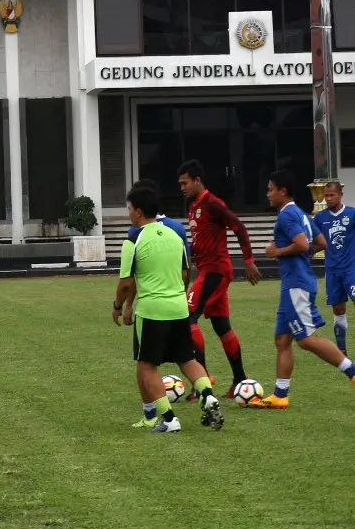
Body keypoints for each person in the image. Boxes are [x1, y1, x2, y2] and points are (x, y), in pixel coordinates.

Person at [113, 184, 223, 432]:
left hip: (152, 310)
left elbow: (125, 283)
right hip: (179, 308)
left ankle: (169, 419)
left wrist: (118, 306)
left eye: (130, 209)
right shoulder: (175, 235)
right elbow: (186, 272)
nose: (129, 214)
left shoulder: (133, 239)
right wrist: (178, 295)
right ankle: (208, 395)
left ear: (139, 211)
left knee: (147, 365)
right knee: (187, 359)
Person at [254, 170, 355, 408]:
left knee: (307, 340)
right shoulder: (301, 214)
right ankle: (280, 395)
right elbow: (321, 243)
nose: (267, 194)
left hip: (296, 285)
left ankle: (352, 370)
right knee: (282, 339)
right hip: (294, 282)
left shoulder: (287, 216)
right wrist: (300, 257)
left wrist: (276, 252)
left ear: (283, 191)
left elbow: (300, 243)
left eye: (270, 189)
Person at [180, 159, 261, 396]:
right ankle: (239, 379)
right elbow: (200, 240)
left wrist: (248, 260)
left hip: (215, 270)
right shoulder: (194, 206)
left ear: (197, 180)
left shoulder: (213, 203)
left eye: (185, 183)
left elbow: (239, 227)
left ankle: (201, 380)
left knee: (187, 318)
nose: (182, 187)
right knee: (221, 325)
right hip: (209, 268)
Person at [311, 180, 355, 352]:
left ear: (340, 195)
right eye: (326, 195)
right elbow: (318, 243)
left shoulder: (351, 214)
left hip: (351, 269)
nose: (328, 199)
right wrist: (306, 254)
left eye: (332, 195)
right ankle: (342, 350)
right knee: (338, 308)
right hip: (332, 270)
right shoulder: (320, 218)